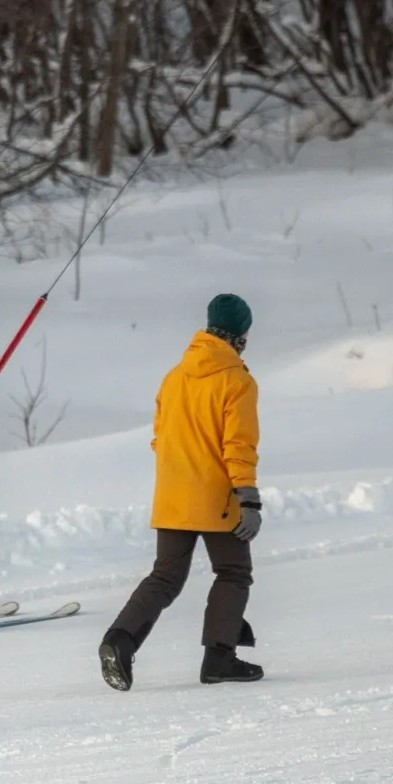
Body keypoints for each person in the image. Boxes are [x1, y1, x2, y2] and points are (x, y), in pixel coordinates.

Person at [99, 294, 265, 691]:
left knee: (165, 577)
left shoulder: (174, 376)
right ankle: (219, 659)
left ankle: (119, 640)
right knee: (233, 571)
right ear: (241, 335)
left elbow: (161, 439)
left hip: (172, 494)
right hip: (217, 496)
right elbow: (238, 445)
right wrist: (248, 499)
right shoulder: (237, 380)